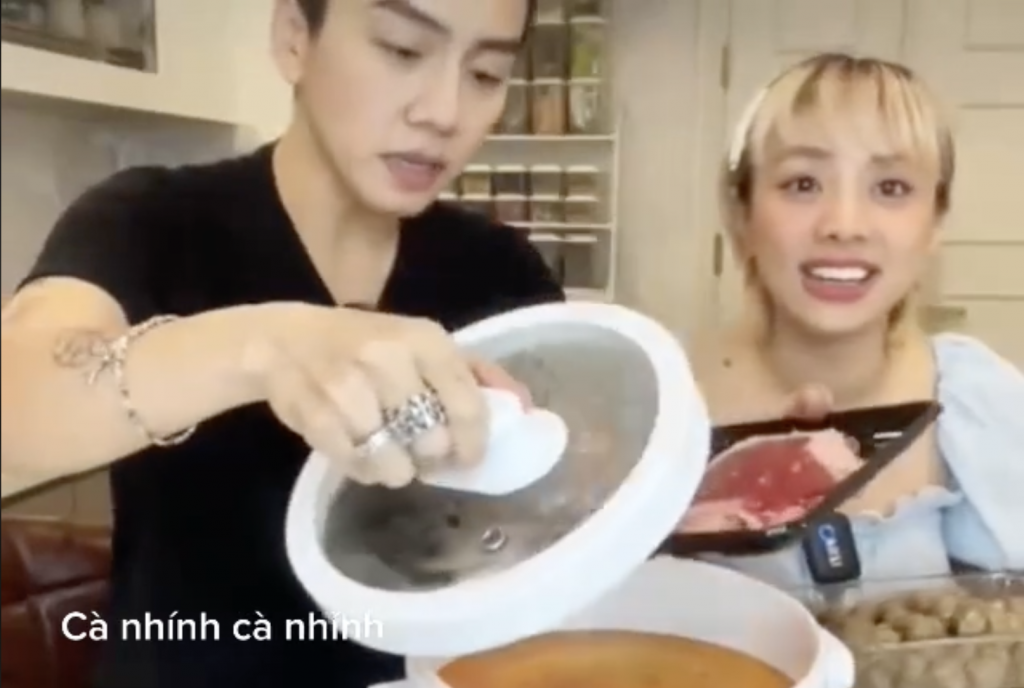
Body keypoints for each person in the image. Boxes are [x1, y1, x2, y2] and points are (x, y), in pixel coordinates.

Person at [0, 0, 559, 686]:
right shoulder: (153, 220)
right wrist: (264, 346)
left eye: (486, 74)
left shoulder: (501, 270)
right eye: (403, 50)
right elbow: (17, 398)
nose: (445, 112)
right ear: (295, 38)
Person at [680, 53, 1024, 588]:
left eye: (891, 188)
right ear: (742, 211)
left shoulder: (984, 403)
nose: (844, 225)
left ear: (935, 222)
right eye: (802, 183)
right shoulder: (660, 407)